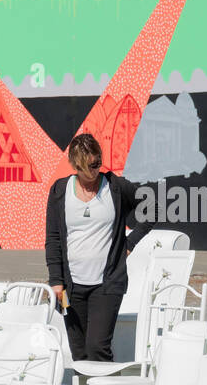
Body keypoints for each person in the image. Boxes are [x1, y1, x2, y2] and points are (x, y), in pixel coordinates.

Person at [44, 133, 152, 363]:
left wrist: (129, 243)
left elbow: (153, 207)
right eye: (86, 167)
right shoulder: (60, 191)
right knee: (80, 353)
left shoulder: (115, 186)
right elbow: (53, 238)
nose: (92, 172)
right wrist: (56, 280)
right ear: (74, 165)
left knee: (97, 349)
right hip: (71, 285)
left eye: (96, 164)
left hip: (108, 283)